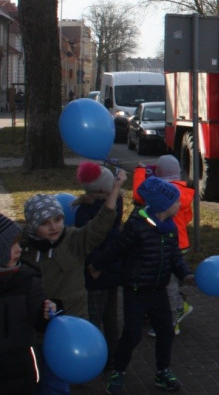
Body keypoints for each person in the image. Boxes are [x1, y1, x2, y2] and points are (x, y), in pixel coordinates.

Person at [21, 175, 123, 395]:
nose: (53, 227)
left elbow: (100, 226)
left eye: (57, 219)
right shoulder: (23, 251)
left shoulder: (74, 240)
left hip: (73, 327)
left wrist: (115, 190)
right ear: (32, 226)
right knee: (42, 375)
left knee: (60, 381)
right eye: (45, 223)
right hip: (38, 330)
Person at [90, 176, 192, 394]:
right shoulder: (137, 227)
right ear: (163, 205)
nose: (179, 204)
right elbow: (116, 249)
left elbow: (175, 257)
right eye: (176, 201)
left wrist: (186, 275)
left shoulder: (170, 228)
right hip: (135, 292)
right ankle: (119, 372)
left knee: (166, 332)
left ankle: (162, 371)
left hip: (158, 292)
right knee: (132, 335)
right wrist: (96, 265)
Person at [73, 162, 124, 369]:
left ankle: (94, 357)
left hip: (96, 273)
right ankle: (113, 357)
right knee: (110, 317)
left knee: (94, 317)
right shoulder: (114, 204)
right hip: (111, 270)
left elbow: (87, 244)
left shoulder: (85, 210)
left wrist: (94, 266)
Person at [0, 213, 56, 394]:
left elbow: (39, 321)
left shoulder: (28, 279)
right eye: (11, 245)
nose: (19, 250)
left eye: (19, 243)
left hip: (24, 370)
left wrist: (47, 311)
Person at [145, 156, 195, 336]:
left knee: (168, 284)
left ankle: (171, 322)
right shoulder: (184, 192)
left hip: (171, 244)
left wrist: (140, 173)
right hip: (182, 243)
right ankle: (180, 307)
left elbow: (139, 195)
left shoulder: (165, 193)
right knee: (170, 281)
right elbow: (188, 217)